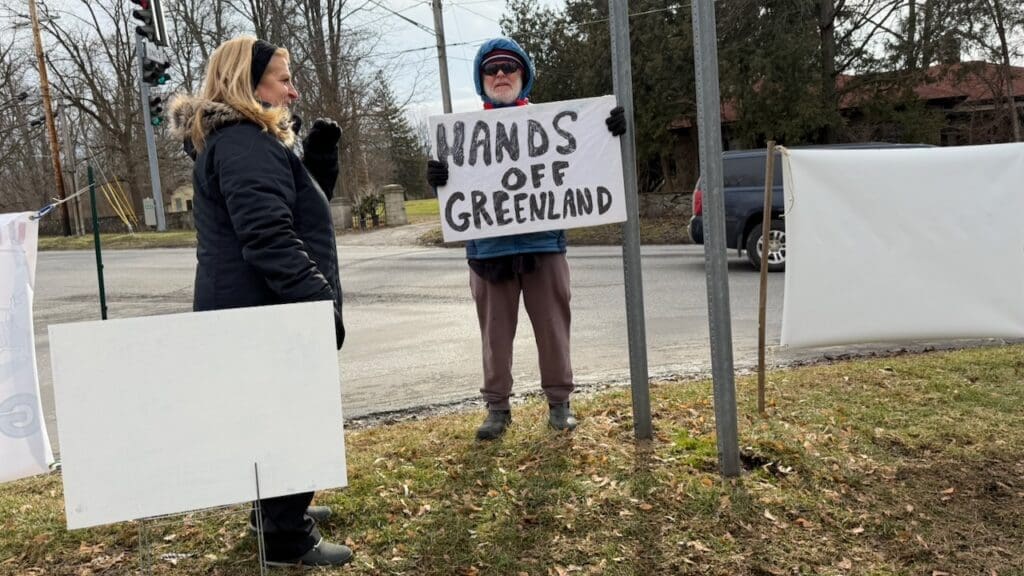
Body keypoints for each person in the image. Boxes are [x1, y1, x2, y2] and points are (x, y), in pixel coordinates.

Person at [169, 36, 351, 567]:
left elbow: (290, 205)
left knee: (270, 416)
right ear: (248, 85)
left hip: (252, 306)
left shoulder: (241, 142)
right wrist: (318, 301)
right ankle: (285, 537)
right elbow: (268, 236)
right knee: (290, 415)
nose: (293, 91)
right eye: (283, 79)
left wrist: (318, 160)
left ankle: (273, 513)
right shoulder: (246, 143)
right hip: (267, 310)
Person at [426, 38, 627, 441]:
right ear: (481, 79)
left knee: (554, 329)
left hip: (544, 247)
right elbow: (461, 198)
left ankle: (559, 404)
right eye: (492, 69)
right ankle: (497, 408)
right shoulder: (461, 136)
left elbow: (586, 163)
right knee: (494, 337)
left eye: (509, 67)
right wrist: (439, 180)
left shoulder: (554, 124)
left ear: (524, 75)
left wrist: (608, 133)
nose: (501, 75)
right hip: (488, 253)